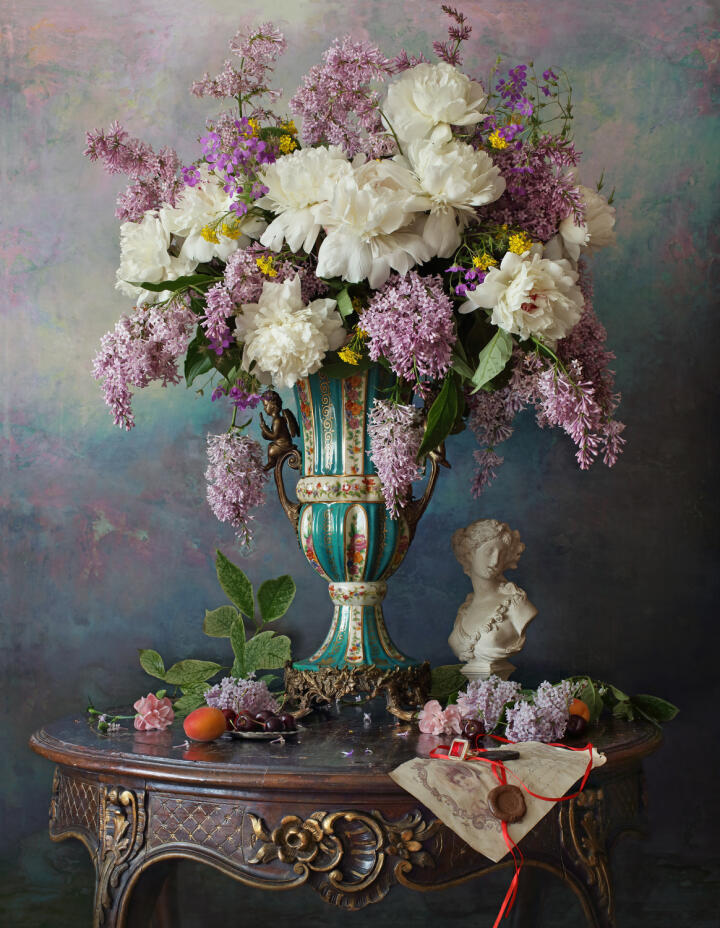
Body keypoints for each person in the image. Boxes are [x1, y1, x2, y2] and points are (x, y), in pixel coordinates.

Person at [448, 519, 537, 680]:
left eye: (502, 554)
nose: (495, 561)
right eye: (489, 552)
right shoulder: (465, 610)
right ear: (470, 554)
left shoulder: (516, 604)